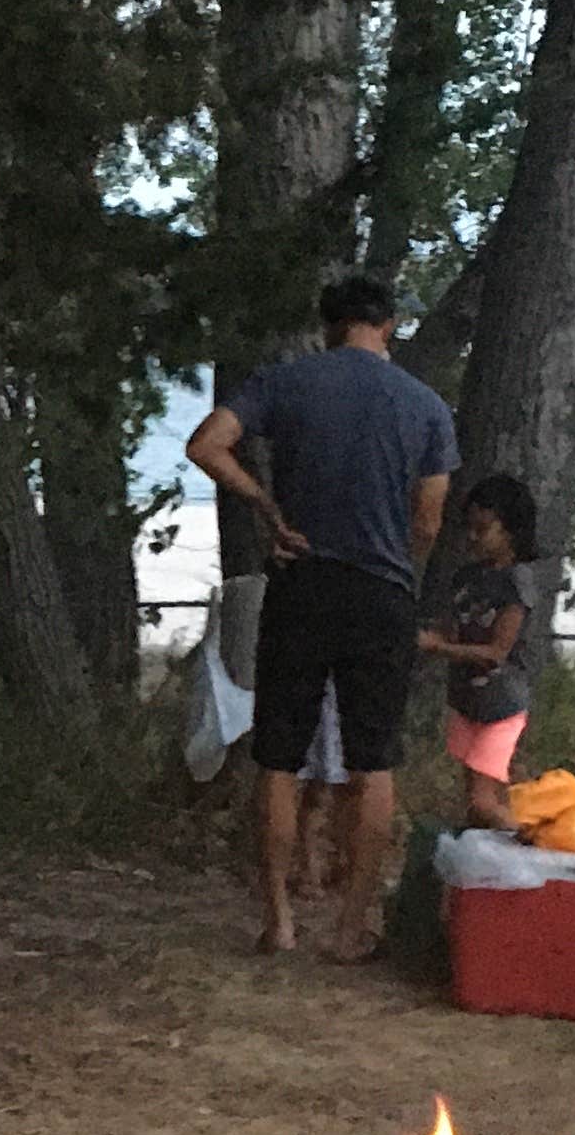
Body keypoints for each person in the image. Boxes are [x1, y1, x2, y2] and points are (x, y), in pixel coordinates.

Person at [185, 276, 458, 960]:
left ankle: (278, 919)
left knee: (279, 757)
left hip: (301, 582)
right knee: (374, 761)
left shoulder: (288, 381)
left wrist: (266, 505)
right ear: (388, 326)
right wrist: (395, 553)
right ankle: (348, 927)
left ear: (327, 325)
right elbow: (429, 518)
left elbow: (206, 444)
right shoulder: (426, 407)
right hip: (380, 591)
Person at [421, 473, 538, 830]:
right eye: (469, 528)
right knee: (473, 802)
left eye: (483, 530)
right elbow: (451, 626)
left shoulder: (516, 582)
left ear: (511, 531)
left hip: (500, 705)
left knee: (483, 802)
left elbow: (496, 652)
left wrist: (439, 647)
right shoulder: (467, 578)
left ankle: (533, 836)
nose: (472, 538)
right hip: (467, 702)